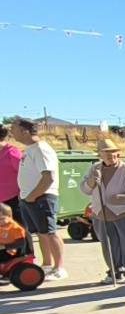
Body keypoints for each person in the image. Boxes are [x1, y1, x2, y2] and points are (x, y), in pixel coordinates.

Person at [79, 140, 125, 284]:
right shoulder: (94, 169)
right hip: (101, 213)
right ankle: (115, 271)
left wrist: (124, 198)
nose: (111, 156)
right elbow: (85, 189)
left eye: (114, 153)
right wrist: (92, 181)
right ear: (100, 155)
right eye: (107, 153)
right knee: (109, 245)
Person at [12, 117, 66, 279]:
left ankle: (59, 268)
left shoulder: (41, 149)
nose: (11, 131)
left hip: (42, 197)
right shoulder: (30, 149)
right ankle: (47, 265)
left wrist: (33, 196)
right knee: (41, 233)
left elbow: (48, 176)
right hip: (30, 198)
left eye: (14, 128)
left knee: (50, 232)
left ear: (24, 131)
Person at [0, 124, 32, 258]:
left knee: (19, 230)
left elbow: (26, 174)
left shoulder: (12, 152)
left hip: (14, 200)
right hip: (1, 202)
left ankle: (25, 258)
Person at [0, 202, 31, 267]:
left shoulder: (16, 228)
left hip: (13, 250)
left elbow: (21, 243)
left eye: (1, 219)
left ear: (9, 216)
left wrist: (5, 247)